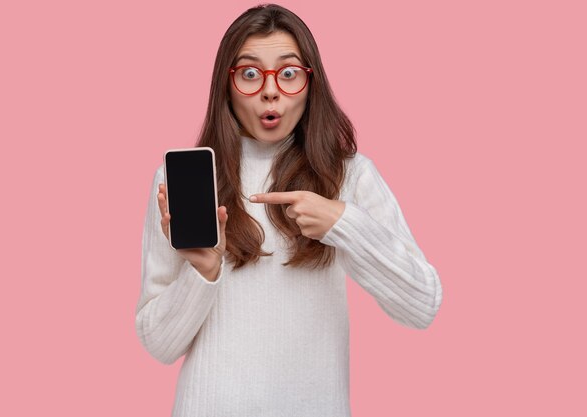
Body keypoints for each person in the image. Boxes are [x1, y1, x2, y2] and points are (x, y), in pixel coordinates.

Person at [135, 4, 442, 416]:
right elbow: (158, 345)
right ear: (225, 85)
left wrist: (343, 223)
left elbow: (422, 305)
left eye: (289, 73)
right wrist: (202, 274)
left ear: (311, 82)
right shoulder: (187, 182)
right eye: (248, 74)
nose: (269, 90)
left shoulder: (348, 176)